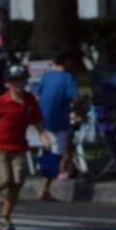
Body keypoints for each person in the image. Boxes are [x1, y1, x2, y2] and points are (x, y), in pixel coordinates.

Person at [0, 63, 52, 230]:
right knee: (3, 179)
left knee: (17, 183)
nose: (19, 84)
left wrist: (44, 136)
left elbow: (37, 121)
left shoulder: (29, 101)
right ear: (7, 84)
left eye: (21, 80)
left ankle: (5, 218)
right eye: (14, 81)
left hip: (19, 147)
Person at [33, 48, 81, 200]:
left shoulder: (47, 76)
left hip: (44, 118)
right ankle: (45, 187)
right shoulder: (68, 77)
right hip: (58, 120)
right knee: (57, 152)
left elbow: (38, 96)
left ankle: (70, 168)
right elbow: (75, 99)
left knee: (68, 141)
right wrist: (82, 113)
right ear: (67, 61)